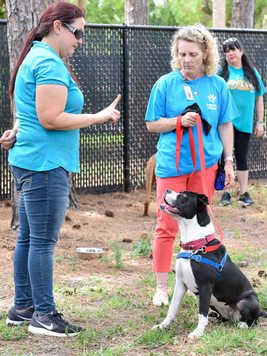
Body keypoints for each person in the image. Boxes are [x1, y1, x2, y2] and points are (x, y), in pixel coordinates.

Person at [0, 2, 121, 337]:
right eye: (77, 32)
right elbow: (51, 118)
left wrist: (15, 133)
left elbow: (28, 112)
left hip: (30, 160)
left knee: (28, 237)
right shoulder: (49, 63)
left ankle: (23, 307)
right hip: (44, 164)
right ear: (57, 27)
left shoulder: (36, 58)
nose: (80, 40)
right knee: (41, 241)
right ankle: (44, 315)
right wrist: (98, 117)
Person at [145, 24, 239, 306]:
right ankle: (162, 287)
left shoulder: (217, 85)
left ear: (205, 54)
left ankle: (206, 279)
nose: (187, 60)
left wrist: (229, 160)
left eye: (193, 54)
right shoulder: (164, 84)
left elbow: (225, 124)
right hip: (172, 166)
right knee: (166, 224)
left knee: (203, 223)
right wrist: (177, 122)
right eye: (182, 53)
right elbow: (151, 124)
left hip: (205, 166)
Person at [219, 37, 266, 207]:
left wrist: (260, 122)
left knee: (242, 157)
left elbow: (259, 98)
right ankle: (225, 192)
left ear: (241, 51)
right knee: (224, 158)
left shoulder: (252, 73)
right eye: (226, 51)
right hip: (225, 123)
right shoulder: (221, 74)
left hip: (245, 123)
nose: (230, 53)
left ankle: (244, 193)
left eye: (233, 49)